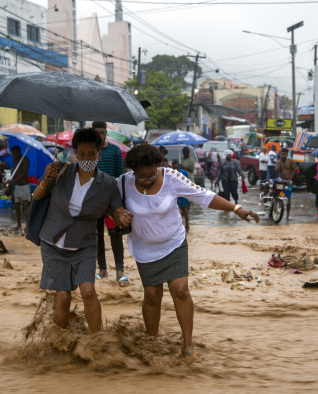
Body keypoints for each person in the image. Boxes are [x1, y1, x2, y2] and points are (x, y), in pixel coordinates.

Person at [118, 144, 260, 357]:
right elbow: (109, 205)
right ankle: (152, 343)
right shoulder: (123, 183)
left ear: (158, 166)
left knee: (181, 290)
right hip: (144, 248)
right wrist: (118, 214)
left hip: (173, 244)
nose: (147, 180)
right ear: (133, 172)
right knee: (151, 296)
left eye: (151, 175)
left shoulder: (172, 177)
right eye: (141, 177)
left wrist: (236, 209)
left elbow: (204, 196)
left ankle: (188, 346)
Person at [32, 128, 133, 333]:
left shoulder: (108, 184)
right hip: (53, 243)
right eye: (81, 154)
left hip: (84, 245)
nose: (86, 158)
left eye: (91, 154)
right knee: (63, 296)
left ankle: (97, 342)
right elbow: (37, 196)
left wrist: (122, 218)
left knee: (88, 291)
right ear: (75, 153)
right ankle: (60, 342)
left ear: (99, 154)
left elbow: (117, 212)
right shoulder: (59, 170)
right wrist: (46, 180)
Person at [92, 121, 128, 285]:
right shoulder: (90, 152)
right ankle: (102, 269)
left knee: (115, 234)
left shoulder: (114, 150)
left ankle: (120, 270)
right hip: (94, 200)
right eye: (97, 132)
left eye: (103, 132)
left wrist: (121, 202)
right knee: (97, 235)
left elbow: (121, 176)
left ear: (106, 133)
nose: (101, 135)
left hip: (112, 200)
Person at [264, 148, 296, 220]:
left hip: (287, 181)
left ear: (287, 154)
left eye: (284, 154)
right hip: (280, 180)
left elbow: (294, 170)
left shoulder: (291, 161)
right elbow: (276, 170)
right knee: (268, 185)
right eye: (281, 154)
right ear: (279, 154)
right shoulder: (278, 162)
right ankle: (265, 201)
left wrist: (289, 179)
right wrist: (280, 161)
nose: (283, 155)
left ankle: (287, 215)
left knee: (288, 198)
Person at [5, 145, 31, 230]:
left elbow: (24, 173)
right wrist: (10, 181)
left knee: (25, 205)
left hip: (24, 185)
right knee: (17, 205)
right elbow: (15, 172)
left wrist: (13, 180)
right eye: (12, 153)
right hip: (17, 186)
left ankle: (27, 226)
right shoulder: (14, 160)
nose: (12, 155)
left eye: (14, 153)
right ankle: (19, 225)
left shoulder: (25, 159)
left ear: (18, 152)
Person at [171, 160, 191, 232]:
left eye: (176, 167)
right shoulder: (171, 173)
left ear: (178, 166)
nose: (175, 169)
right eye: (173, 168)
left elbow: (187, 182)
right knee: (176, 212)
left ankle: (187, 225)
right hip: (175, 194)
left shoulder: (184, 172)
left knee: (185, 211)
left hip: (183, 194)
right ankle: (178, 226)